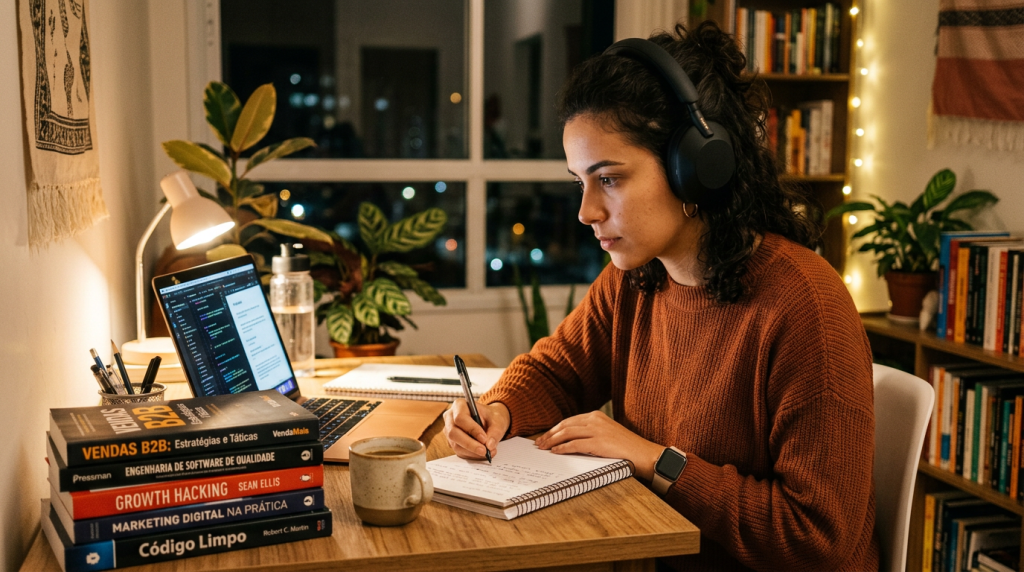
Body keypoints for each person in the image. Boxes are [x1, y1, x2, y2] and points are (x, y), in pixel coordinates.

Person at [443, 21, 877, 572]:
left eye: (611, 179)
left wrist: (655, 461)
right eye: (581, 181)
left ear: (694, 169)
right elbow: (561, 370)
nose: (587, 211)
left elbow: (818, 539)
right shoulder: (636, 277)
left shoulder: (804, 307)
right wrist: (499, 410)